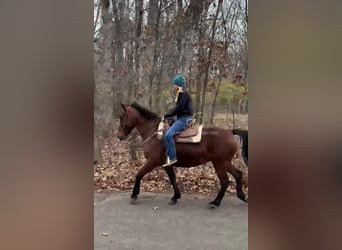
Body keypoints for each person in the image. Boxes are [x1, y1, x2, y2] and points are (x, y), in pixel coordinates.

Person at [162, 74, 193, 167]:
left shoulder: (184, 93)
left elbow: (179, 108)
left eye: (174, 84)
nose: (173, 86)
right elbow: (177, 108)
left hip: (184, 119)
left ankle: (172, 157)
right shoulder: (181, 93)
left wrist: (167, 114)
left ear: (178, 84)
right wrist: (169, 114)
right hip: (181, 117)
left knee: (168, 135)